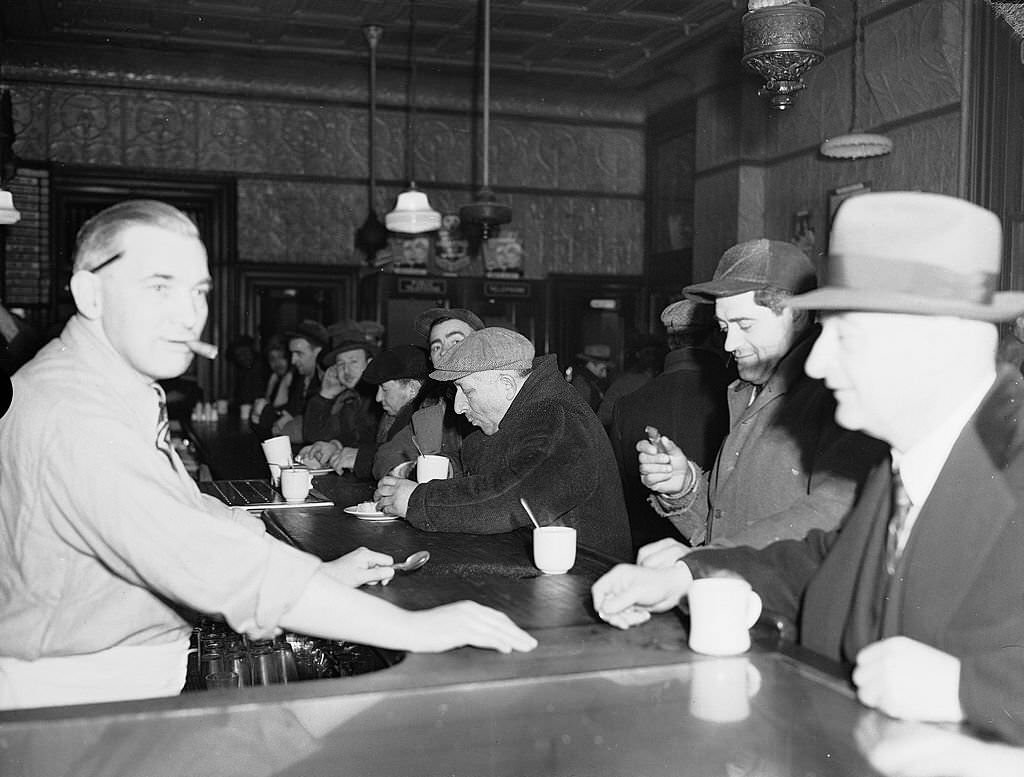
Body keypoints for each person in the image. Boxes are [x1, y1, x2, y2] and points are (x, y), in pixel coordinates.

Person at [0, 200, 536, 709]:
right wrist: (415, 628)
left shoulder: (104, 385)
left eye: (198, 290)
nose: (190, 315)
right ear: (89, 293)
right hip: (78, 691)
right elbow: (197, 554)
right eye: (158, 286)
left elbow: (185, 512)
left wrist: (315, 575)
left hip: (106, 676)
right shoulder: (75, 409)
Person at [592, 191, 1024, 745]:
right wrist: (687, 576)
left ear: (938, 340)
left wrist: (968, 690)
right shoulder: (912, 459)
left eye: (844, 336)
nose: (818, 362)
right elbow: (825, 561)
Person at [637, 238, 885, 548]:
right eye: (725, 327)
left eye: (745, 324)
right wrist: (685, 486)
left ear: (796, 314)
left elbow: (831, 519)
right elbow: (727, 521)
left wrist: (707, 561)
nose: (728, 345)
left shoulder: (837, 399)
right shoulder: (746, 392)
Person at [374, 327, 633, 560]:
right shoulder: (521, 416)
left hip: (587, 581)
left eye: (467, 390)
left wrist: (418, 501)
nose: (458, 405)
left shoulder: (558, 420)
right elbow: (488, 471)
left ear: (507, 384)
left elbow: (512, 497)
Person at [608, 300, 732, 551]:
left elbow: (616, 494)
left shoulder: (628, 404)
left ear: (670, 342)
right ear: (718, 338)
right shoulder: (739, 396)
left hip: (649, 553)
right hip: (721, 552)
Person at [372, 306, 483, 479]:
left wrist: (446, 470)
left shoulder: (498, 402)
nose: (445, 352)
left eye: (456, 342)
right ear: (431, 360)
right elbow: (386, 455)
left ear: (483, 348)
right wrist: (408, 471)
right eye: (436, 347)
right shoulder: (432, 409)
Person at [300, 344, 430, 481]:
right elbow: (366, 439)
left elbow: (404, 456)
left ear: (413, 389)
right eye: (340, 364)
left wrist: (361, 458)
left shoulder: (422, 416)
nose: (378, 398)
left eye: (385, 389)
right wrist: (336, 446)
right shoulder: (389, 412)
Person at [299, 338, 380, 450]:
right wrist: (326, 395)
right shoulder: (344, 398)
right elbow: (313, 437)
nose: (346, 370)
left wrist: (336, 445)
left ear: (369, 363)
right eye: (341, 364)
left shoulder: (379, 396)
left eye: (353, 362)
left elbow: (367, 436)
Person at [272, 319, 327, 442]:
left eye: (299, 353)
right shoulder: (300, 378)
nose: (293, 360)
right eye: (291, 354)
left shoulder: (327, 380)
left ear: (317, 352)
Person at [596, 336, 665, 427]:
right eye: (647, 353)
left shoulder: (664, 381)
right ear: (638, 354)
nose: (652, 357)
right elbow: (604, 417)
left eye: (655, 353)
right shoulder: (624, 383)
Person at [568, 343, 611, 412]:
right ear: (591, 364)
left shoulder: (595, 381)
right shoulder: (581, 384)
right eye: (602, 370)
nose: (604, 375)